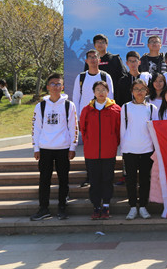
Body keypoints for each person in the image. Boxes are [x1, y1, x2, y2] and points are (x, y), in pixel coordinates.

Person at [30, 73, 78, 221]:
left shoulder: (69, 105)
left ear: (62, 87)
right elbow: (36, 128)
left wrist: (73, 147)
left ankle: (62, 207)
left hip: (63, 148)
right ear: (48, 87)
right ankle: (43, 209)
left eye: (58, 84)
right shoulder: (41, 106)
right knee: (44, 180)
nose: (55, 87)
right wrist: (36, 148)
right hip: (45, 148)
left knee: (63, 180)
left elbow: (74, 127)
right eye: (53, 84)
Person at [79, 80, 121, 220]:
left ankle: (106, 206)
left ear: (108, 92)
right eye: (98, 89)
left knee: (107, 179)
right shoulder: (87, 109)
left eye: (103, 90)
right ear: (94, 92)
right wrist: (89, 141)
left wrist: (113, 142)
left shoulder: (116, 109)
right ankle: (96, 207)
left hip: (108, 151)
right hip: (91, 152)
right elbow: (83, 129)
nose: (101, 92)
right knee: (94, 180)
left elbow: (119, 130)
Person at [120, 79, 157, 220]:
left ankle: (142, 206)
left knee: (144, 179)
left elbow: (154, 131)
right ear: (132, 91)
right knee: (130, 180)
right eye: (136, 89)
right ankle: (132, 207)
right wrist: (123, 149)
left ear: (147, 91)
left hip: (147, 149)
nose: (139, 92)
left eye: (142, 89)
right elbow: (123, 129)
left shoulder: (152, 108)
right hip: (129, 149)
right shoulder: (125, 107)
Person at [72, 50, 114, 118]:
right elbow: (76, 98)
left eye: (95, 57)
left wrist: (108, 115)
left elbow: (110, 97)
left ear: (99, 60)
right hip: (84, 116)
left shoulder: (106, 77)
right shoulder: (80, 77)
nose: (92, 59)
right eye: (90, 57)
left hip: (102, 115)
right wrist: (77, 117)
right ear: (86, 61)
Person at [83, 34, 126, 100]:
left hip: (113, 95)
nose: (100, 44)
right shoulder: (90, 61)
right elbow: (86, 78)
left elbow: (122, 77)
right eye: (98, 42)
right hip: (94, 97)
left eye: (102, 42)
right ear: (94, 45)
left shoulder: (115, 59)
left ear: (107, 44)